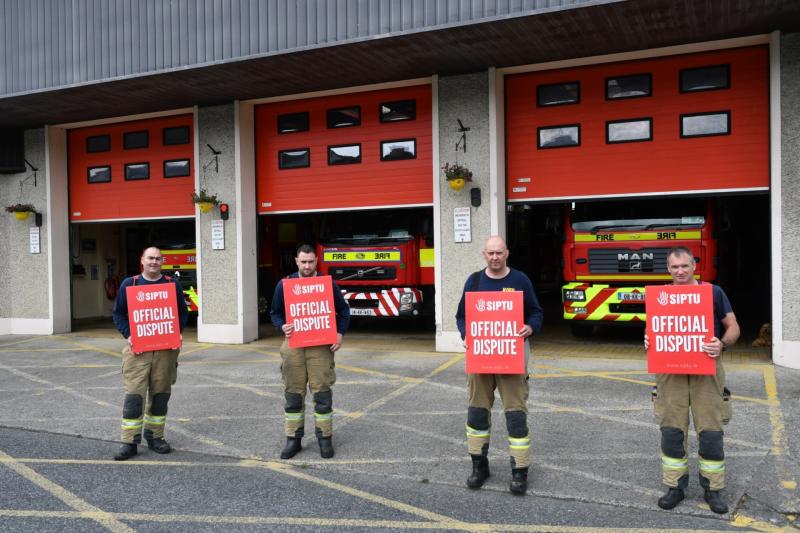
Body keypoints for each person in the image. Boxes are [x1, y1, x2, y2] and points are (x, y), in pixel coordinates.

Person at [645, 246, 740, 514]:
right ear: (668, 269)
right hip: (670, 372)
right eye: (674, 267)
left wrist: (721, 343)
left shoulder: (713, 292)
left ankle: (713, 489)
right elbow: (653, 330)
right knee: (671, 431)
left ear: (694, 265)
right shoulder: (661, 296)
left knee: (710, 431)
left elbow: (734, 327)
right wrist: (648, 339)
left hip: (707, 370)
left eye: (685, 266)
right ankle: (675, 487)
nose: (680, 271)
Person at [455, 235, 544, 495]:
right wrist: (466, 334)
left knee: (516, 416)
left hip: (512, 359)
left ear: (507, 253)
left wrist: (531, 326)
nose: (495, 257)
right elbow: (461, 316)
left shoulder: (520, 280)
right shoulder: (473, 281)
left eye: (499, 253)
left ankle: (519, 472)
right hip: (480, 359)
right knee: (477, 415)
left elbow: (536, 311)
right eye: (490, 253)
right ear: (484, 254)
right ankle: (479, 467)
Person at [270, 244, 350, 459]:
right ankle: (293, 439)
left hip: (321, 347)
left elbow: (343, 311)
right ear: (296, 261)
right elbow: (275, 312)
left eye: (311, 262)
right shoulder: (285, 284)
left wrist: (340, 334)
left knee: (322, 393)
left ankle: (325, 439)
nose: (307, 266)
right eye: (303, 261)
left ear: (317, 261)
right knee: (293, 394)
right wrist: (281, 325)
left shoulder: (328, 285)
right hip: (293, 345)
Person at [111, 246, 189, 461]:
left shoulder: (172, 284)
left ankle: (155, 437)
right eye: (150, 258)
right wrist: (128, 335)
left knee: (160, 395)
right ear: (142, 261)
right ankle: (129, 441)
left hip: (165, 350)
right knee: (134, 396)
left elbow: (182, 313)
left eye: (158, 258)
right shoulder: (130, 284)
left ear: (162, 262)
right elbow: (118, 314)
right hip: (138, 351)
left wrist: (177, 333)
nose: (154, 262)